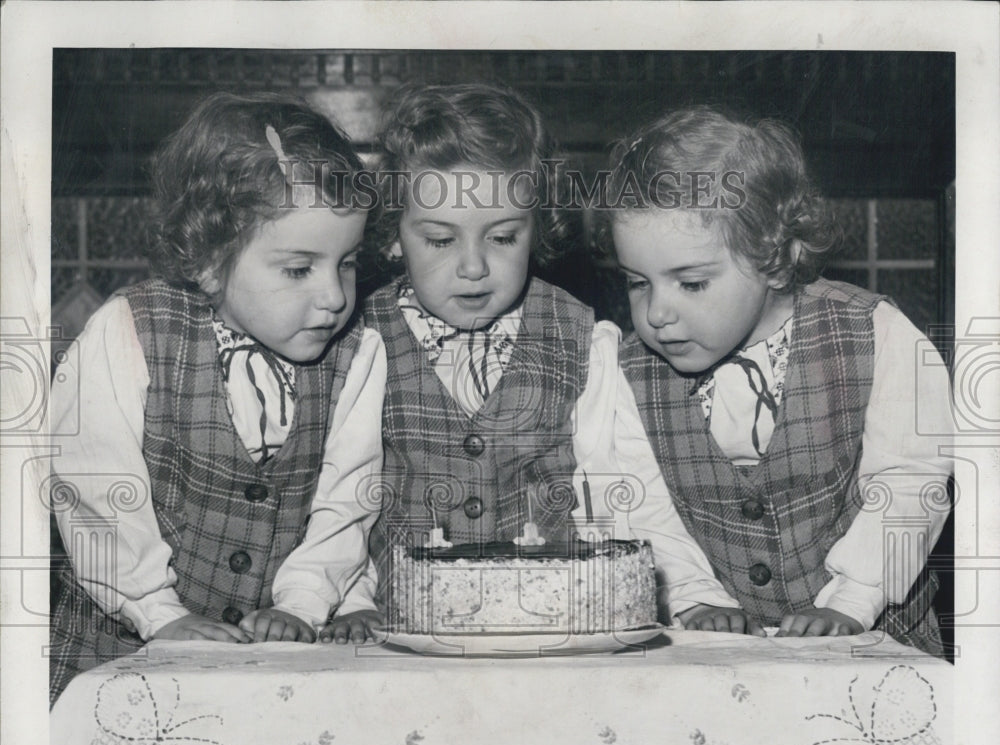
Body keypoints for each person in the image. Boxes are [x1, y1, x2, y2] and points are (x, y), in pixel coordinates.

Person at [327, 83, 736, 643]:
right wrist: (348, 598)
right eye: (441, 241)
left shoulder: (585, 339)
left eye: (502, 236)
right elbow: (344, 493)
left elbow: (624, 487)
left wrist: (693, 593)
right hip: (402, 627)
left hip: (552, 623)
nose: (473, 267)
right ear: (395, 236)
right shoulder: (359, 341)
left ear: (537, 228)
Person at [48, 92, 386, 704]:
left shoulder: (359, 354)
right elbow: (92, 493)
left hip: (270, 664)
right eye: (298, 269)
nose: (335, 296)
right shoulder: (127, 332)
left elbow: (348, 503)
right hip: (119, 650)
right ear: (209, 261)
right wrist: (155, 611)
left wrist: (304, 606)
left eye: (348, 263)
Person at [606, 106, 953, 654]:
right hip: (713, 658)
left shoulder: (876, 333)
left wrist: (852, 600)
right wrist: (694, 595)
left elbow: (912, 483)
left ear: (774, 258)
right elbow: (639, 503)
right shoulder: (625, 373)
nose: (656, 314)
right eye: (636, 283)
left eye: (691, 283)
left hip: (879, 642)